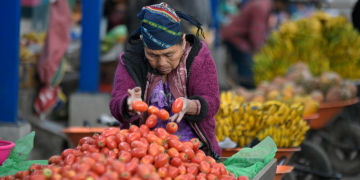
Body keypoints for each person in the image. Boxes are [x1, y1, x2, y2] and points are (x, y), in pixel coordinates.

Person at [109, 2, 221, 159]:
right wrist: (127, 104)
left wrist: (191, 105)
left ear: (182, 42)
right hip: (143, 153)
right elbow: (116, 103)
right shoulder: (131, 61)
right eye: (153, 55)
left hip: (194, 153)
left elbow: (212, 102)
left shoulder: (198, 58)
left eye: (169, 55)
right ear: (143, 43)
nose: (162, 63)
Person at [221, 0, 287, 89]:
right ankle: (244, 93)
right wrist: (259, 52)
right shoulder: (261, 8)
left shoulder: (264, 5)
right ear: (279, 2)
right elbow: (256, 33)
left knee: (245, 66)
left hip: (239, 38)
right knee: (247, 69)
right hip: (236, 38)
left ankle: (243, 90)